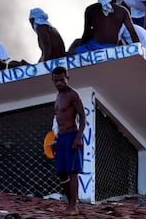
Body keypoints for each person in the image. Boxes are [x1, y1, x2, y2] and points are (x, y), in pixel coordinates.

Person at [51, 66, 86, 215]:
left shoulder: (73, 95)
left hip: (72, 135)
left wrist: (79, 137)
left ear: (67, 78)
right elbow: (58, 120)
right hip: (62, 138)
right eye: (56, 80)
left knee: (72, 172)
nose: (59, 82)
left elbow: (83, 117)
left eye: (62, 79)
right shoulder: (58, 97)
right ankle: (70, 202)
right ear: (53, 80)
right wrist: (55, 140)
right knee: (61, 172)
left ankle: (73, 206)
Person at [74, 0, 139, 54]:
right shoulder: (123, 11)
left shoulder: (90, 9)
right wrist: (139, 48)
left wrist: (81, 45)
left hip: (93, 47)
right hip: (113, 47)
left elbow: (86, 32)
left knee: (74, 48)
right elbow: (133, 33)